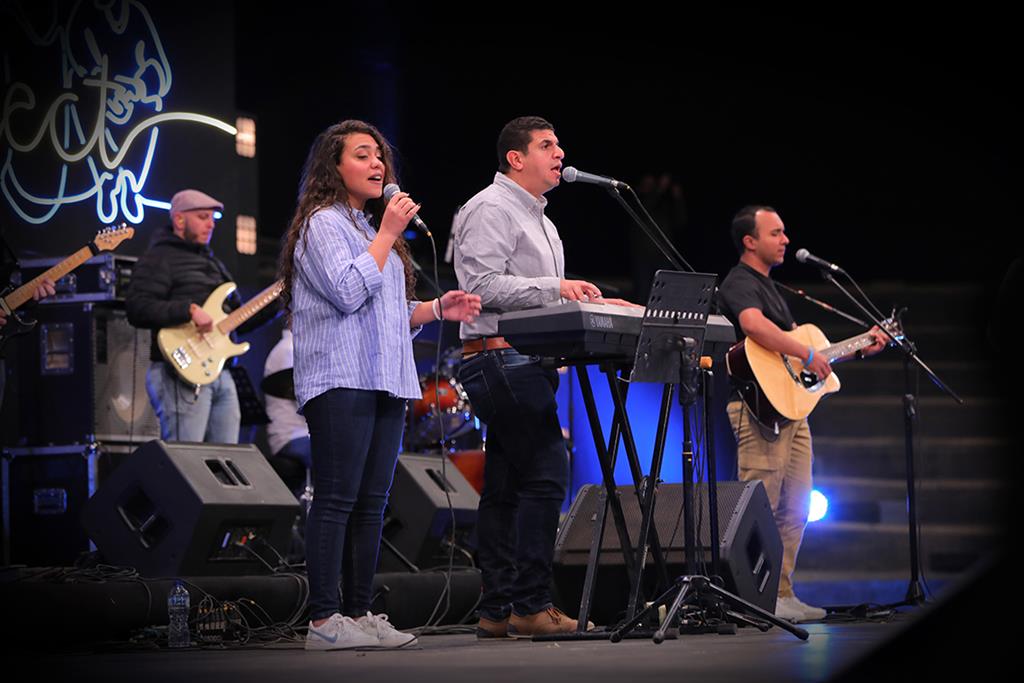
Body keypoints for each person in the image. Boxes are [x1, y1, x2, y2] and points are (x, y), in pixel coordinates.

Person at [279, 119, 481, 651]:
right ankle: (324, 620)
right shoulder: (322, 224)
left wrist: (435, 308)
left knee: (372, 503)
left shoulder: (369, 230)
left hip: (386, 378)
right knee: (337, 499)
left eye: (379, 157)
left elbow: (386, 311)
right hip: (341, 378)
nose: (377, 165)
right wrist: (389, 233)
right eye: (362, 155)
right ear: (334, 166)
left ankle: (359, 612)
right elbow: (347, 292)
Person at [451, 116, 629, 638]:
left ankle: (498, 610)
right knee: (547, 471)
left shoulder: (544, 222)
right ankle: (530, 604)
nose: (559, 154)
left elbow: (541, 297)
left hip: (526, 361)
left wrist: (593, 303)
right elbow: (480, 286)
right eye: (547, 145)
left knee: (506, 485)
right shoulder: (489, 207)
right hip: (498, 359)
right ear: (516, 158)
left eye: (558, 145)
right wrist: (559, 288)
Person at [716, 205, 887, 623]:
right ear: (750, 241)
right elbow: (753, 326)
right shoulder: (740, 281)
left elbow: (796, 365)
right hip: (757, 410)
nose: (785, 240)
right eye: (775, 233)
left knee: (796, 507)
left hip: (789, 410)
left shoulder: (773, 287)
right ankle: (749, 596)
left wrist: (858, 347)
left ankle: (781, 592)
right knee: (760, 505)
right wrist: (808, 352)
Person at [126, 189, 276, 443]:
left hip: (220, 372)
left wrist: (280, 301)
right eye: (203, 217)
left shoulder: (214, 264)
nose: (211, 224)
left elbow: (239, 322)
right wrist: (189, 310)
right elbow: (137, 308)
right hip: (179, 372)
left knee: (226, 458)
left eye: (213, 219)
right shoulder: (159, 258)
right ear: (179, 219)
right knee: (187, 459)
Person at [262, 326, 311, 499]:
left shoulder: (299, 347)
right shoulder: (289, 349)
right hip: (292, 436)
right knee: (342, 455)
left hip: (305, 434)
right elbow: (306, 404)